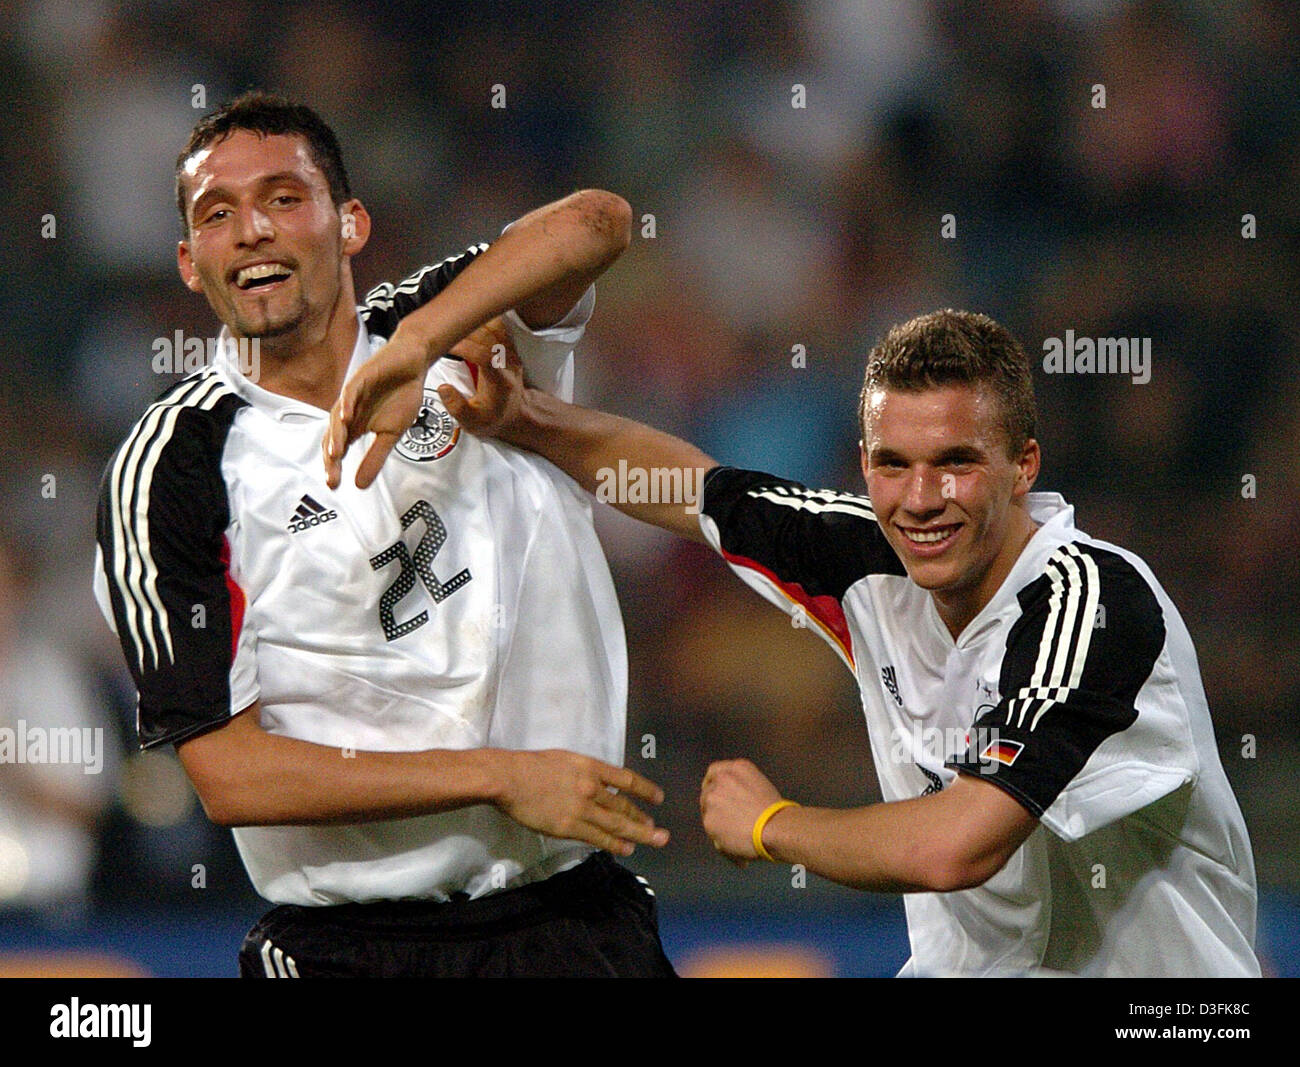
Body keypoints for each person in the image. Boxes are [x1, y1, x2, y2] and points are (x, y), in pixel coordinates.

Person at [337, 307, 1260, 977]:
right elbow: (697, 492)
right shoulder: (869, 554)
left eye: (956, 462)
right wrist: (526, 420)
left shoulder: (1088, 604)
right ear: (865, 463)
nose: (921, 497)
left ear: (1024, 466)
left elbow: (959, 845)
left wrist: (775, 826)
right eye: (893, 463)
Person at [92, 91, 677, 978]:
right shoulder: (170, 471)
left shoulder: (456, 325)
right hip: (355, 949)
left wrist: (414, 348)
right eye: (219, 214)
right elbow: (231, 775)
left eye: (285, 198)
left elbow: (599, 222)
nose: (251, 229)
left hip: (577, 918)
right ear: (188, 261)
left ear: (351, 222)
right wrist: (497, 774)